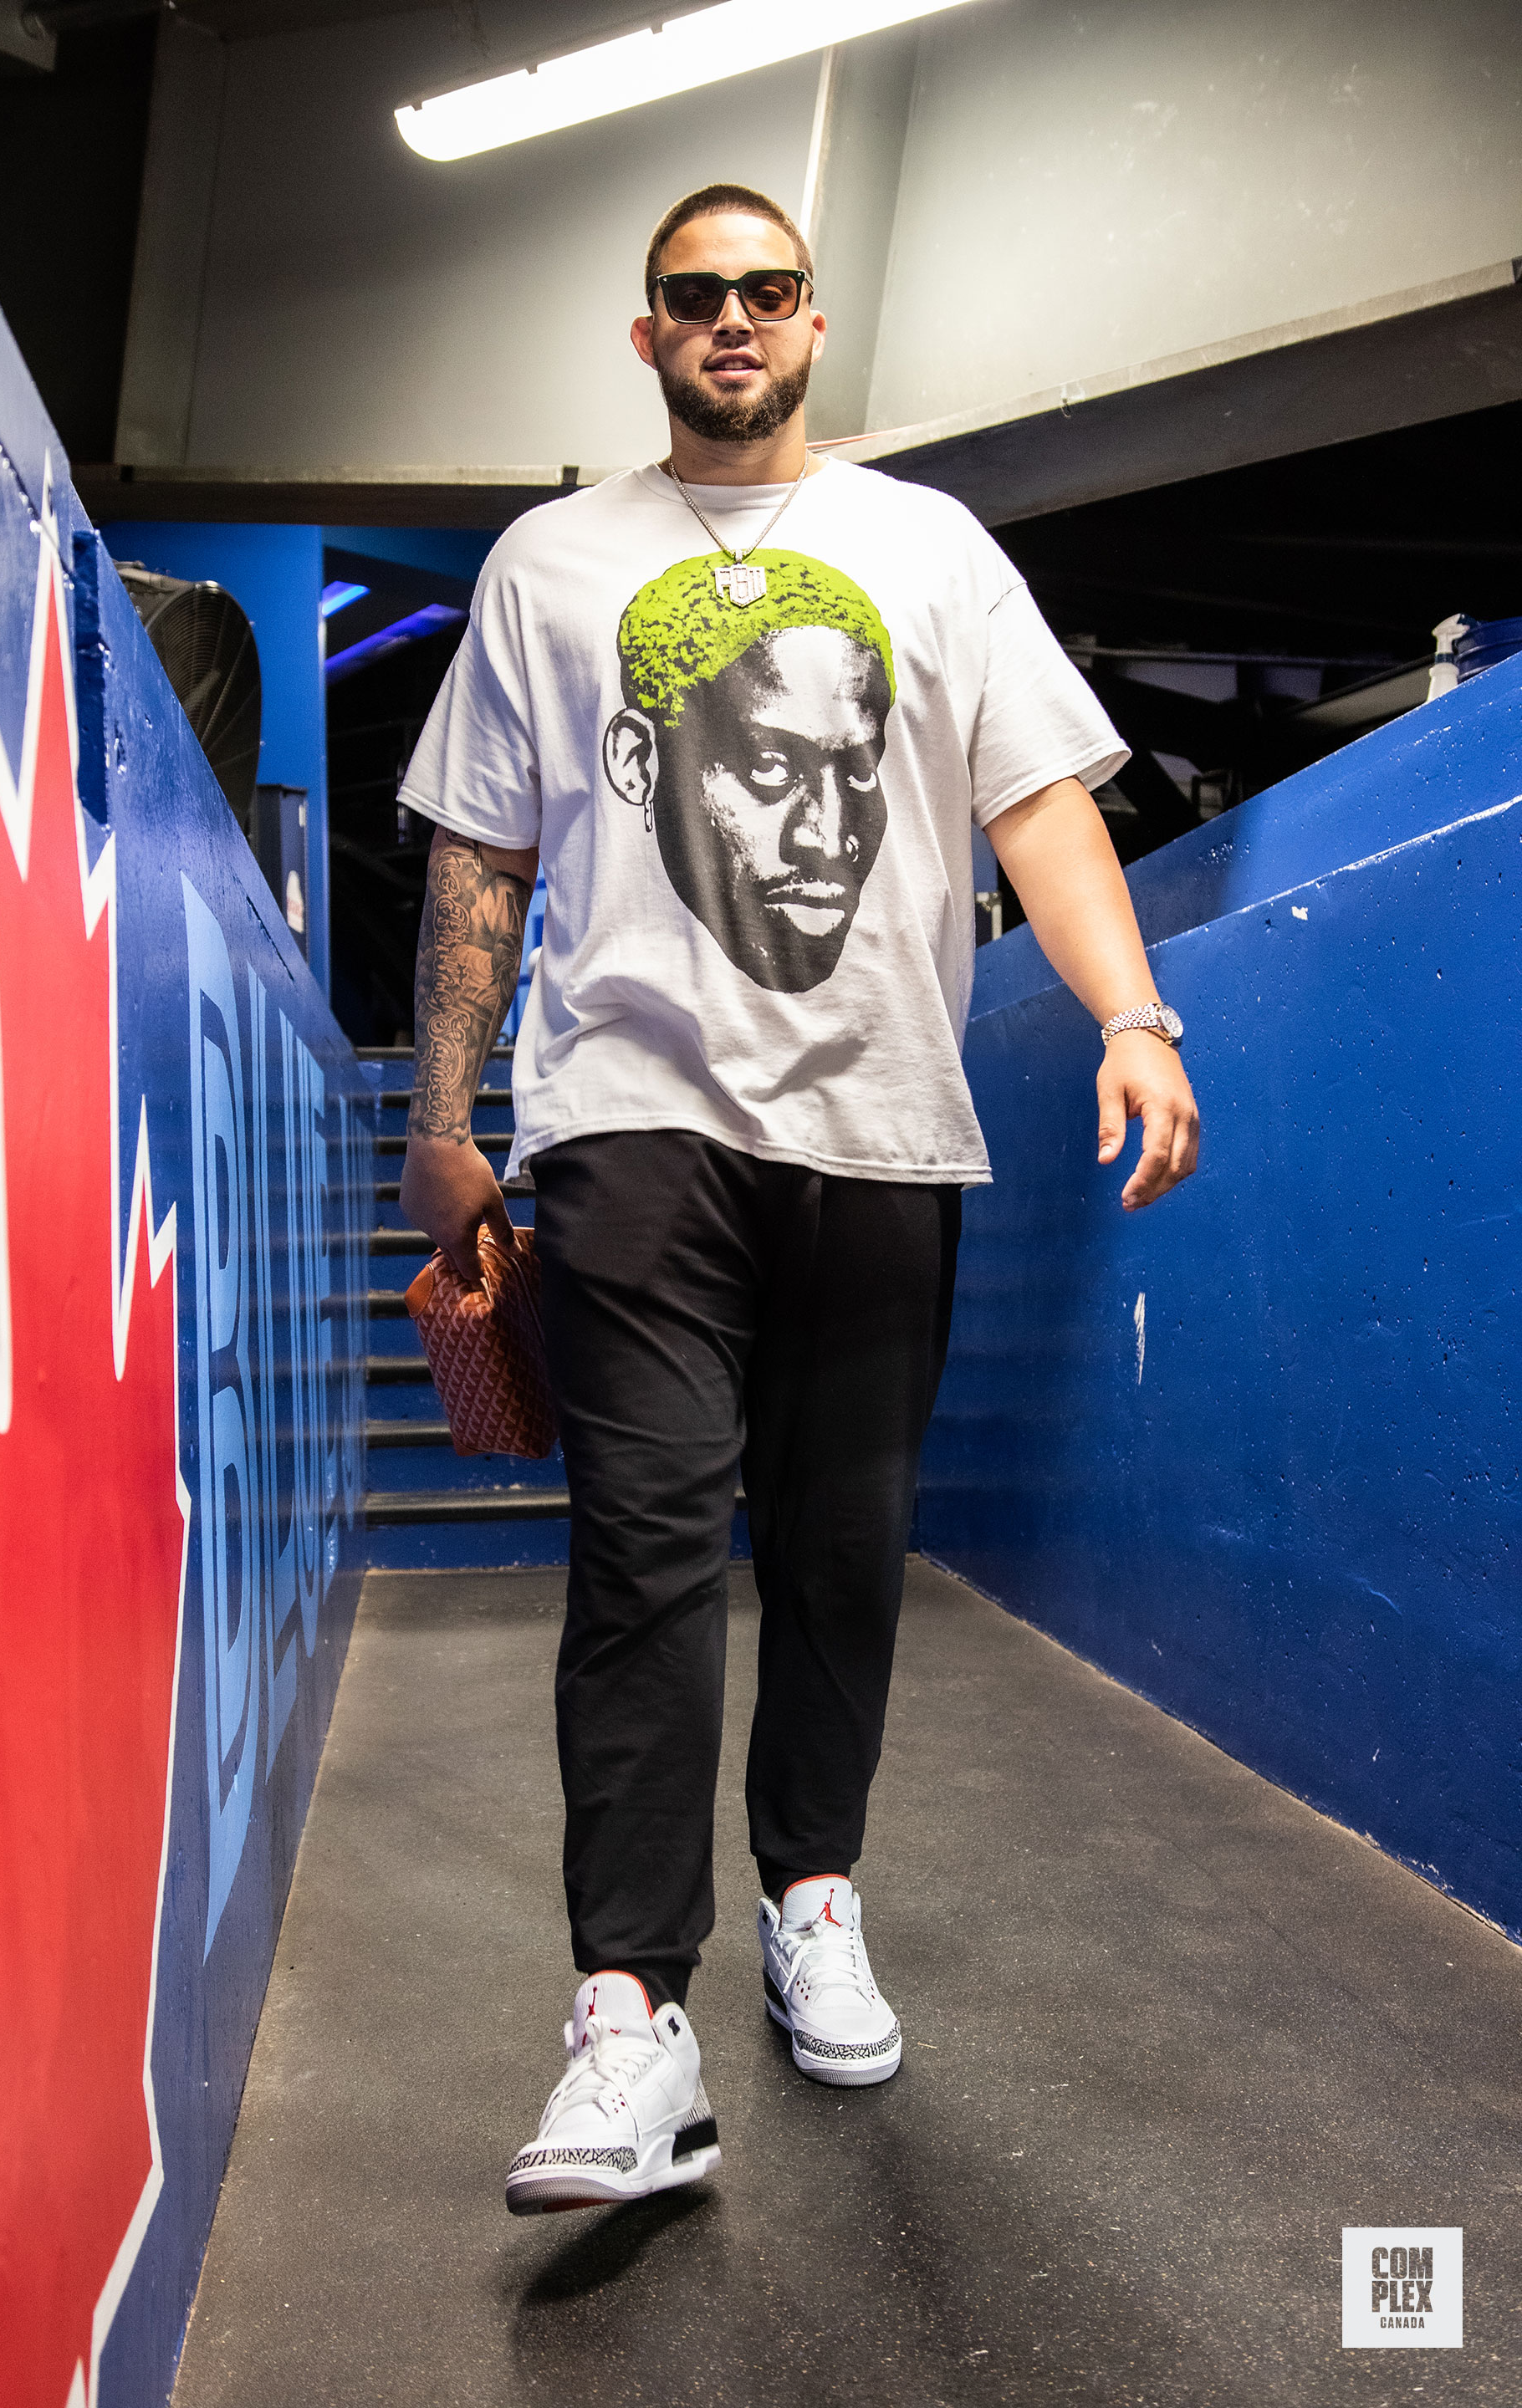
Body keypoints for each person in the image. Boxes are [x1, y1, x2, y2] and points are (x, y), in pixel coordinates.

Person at [398, 181, 1199, 2218]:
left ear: (813, 322)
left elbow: (1035, 801)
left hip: (885, 1129)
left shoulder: (929, 549)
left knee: (843, 1555)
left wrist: (1136, 1017)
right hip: (629, 1127)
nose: (735, 320)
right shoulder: (550, 562)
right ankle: (626, 2020)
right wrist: (446, 1108)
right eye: (698, 297)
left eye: (768, 291)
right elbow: (482, 854)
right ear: (646, 332)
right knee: (647, 1554)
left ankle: (812, 1896)